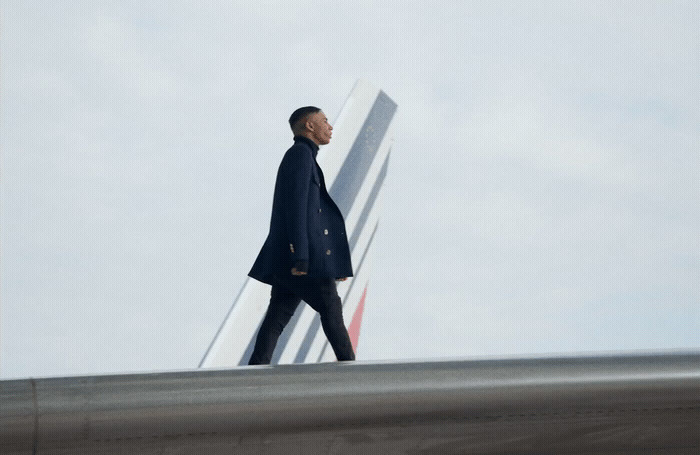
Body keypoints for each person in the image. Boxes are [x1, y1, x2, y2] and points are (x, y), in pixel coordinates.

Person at [247, 106, 355, 364]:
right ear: (309, 125)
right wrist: (302, 257)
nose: (330, 126)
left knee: (277, 315)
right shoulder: (300, 155)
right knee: (330, 305)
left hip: (289, 256)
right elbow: (297, 209)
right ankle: (350, 366)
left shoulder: (305, 157)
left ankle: (254, 371)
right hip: (299, 258)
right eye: (324, 121)